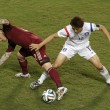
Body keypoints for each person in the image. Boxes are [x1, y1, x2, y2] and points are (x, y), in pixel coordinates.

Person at [29, 16, 110, 89]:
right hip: (70, 47)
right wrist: (39, 45)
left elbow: (102, 27)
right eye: (73, 28)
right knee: (56, 65)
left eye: (76, 29)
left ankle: (109, 79)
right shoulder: (68, 30)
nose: (74, 30)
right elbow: (53, 35)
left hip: (84, 47)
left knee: (99, 66)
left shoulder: (89, 26)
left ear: (82, 26)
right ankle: (39, 81)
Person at [0, 19, 67, 100]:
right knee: (19, 55)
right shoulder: (10, 40)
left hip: (35, 45)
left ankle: (60, 87)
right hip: (28, 47)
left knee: (47, 66)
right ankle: (25, 74)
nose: (0, 40)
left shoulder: (7, 28)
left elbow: (5, 21)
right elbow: (7, 55)